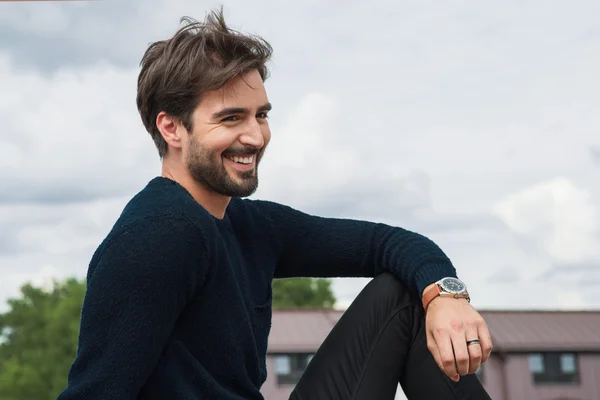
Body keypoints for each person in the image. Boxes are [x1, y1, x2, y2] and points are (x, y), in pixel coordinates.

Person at [57, 8, 492, 400]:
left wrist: (446, 295)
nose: (255, 136)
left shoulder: (249, 225)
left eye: (260, 115)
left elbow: (387, 243)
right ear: (172, 128)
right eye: (231, 118)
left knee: (406, 292)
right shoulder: (157, 236)